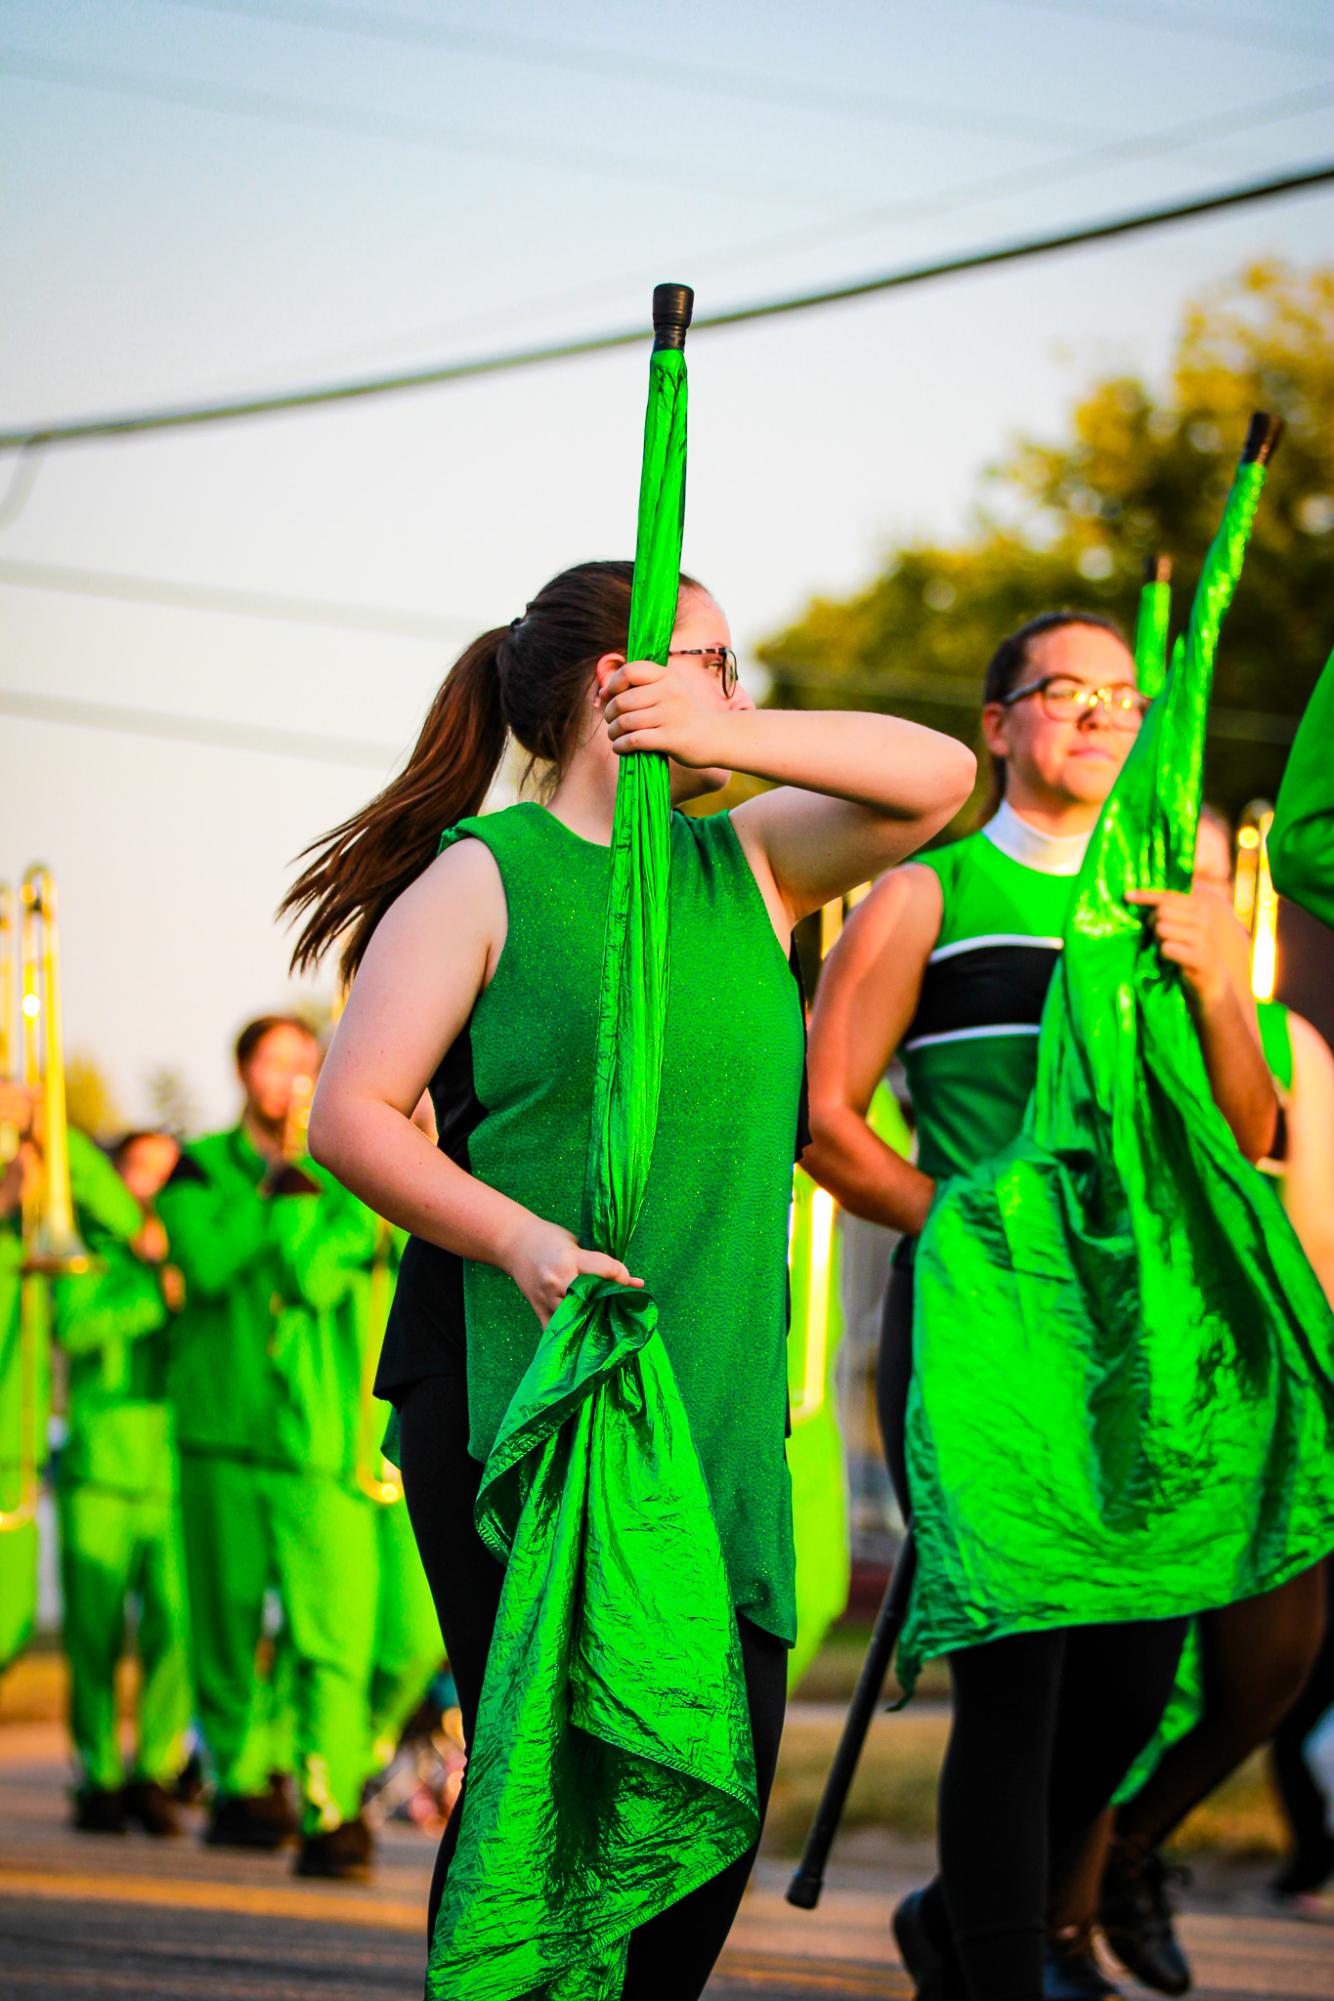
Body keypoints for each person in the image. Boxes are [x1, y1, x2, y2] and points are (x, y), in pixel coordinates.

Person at [282, 558, 976, 1996]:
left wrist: (730, 733)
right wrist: (520, 1240)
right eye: (710, 661)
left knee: (709, 1780)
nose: (734, 690)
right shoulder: (486, 874)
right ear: (617, 684)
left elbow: (938, 778)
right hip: (522, 1387)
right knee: (546, 1795)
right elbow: (346, 1114)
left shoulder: (755, 859)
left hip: (715, 1394)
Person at [804, 612, 1280, 2001]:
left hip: (1150, 1359)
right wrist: (958, 1229)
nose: (1095, 713)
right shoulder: (926, 895)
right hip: (982, 1340)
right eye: (1059, 689)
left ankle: (963, 1915)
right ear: (995, 723)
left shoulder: (1177, 903)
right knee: (1016, 1676)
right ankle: (1002, 1970)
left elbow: (1245, 1133)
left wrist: (1217, 990)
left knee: (1128, 1684)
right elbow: (825, 1120)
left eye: (1121, 696)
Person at [1058, 807, 1334, 1994]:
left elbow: (1307, 1224)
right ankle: (1042, 1921)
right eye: (1163, 876)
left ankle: (1126, 1849)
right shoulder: (1082, 1025)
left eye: (1209, 878)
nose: (1184, 900)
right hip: (1106, 1409)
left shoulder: (1283, 1038)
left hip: (1259, 1409)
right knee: (1107, 1691)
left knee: (1268, 1672)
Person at [156, 1015, 384, 1877]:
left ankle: (322, 1791)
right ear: (244, 1069)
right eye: (274, 1060)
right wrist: (281, 1192)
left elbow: (327, 1266)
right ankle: (240, 1782)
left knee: (336, 1630)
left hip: (310, 1436)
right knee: (224, 1620)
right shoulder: (196, 1167)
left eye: (304, 1061)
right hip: (218, 1429)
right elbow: (208, 1266)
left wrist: (308, 1183)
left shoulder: (338, 1167)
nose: (289, 1076)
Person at [54, 1128, 193, 1836]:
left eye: (167, 1178)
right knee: (94, 1634)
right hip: (100, 1470)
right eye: (140, 1173)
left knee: (176, 1629)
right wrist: (153, 1294)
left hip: (174, 1471)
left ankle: (157, 1768)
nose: (152, 1191)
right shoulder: (85, 1248)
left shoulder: (190, 1253)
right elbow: (75, 1329)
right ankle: (99, 1772)